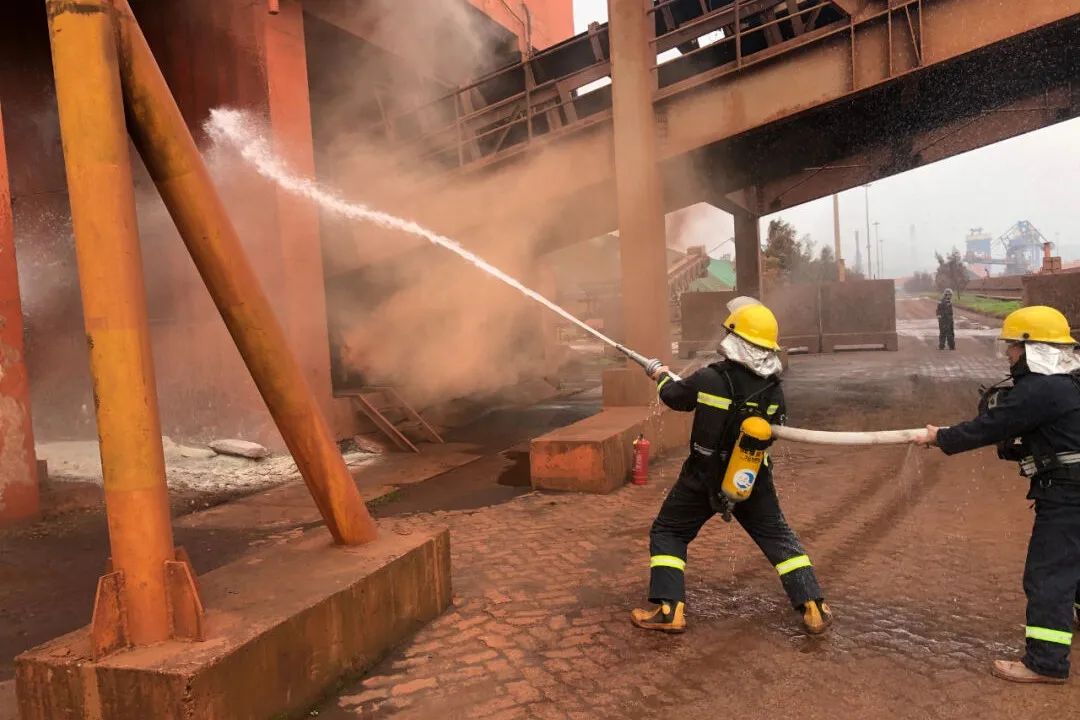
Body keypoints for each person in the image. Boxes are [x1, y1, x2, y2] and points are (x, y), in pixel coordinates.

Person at [631, 300, 832, 635]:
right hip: (750, 477)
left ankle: (669, 609)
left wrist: (660, 375)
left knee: (669, 531)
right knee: (777, 537)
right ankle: (814, 606)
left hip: (702, 476)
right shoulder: (773, 390)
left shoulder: (710, 378)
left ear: (735, 339)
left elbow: (675, 397)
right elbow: (777, 428)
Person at [915, 305, 1080, 684]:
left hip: (1068, 493)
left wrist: (941, 437)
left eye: (1012, 347)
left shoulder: (1041, 389)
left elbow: (991, 426)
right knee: (1075, 559)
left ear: (1030, 347)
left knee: (1048, 574)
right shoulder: (1070, 381)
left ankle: (1046, 662)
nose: (1008, 354)